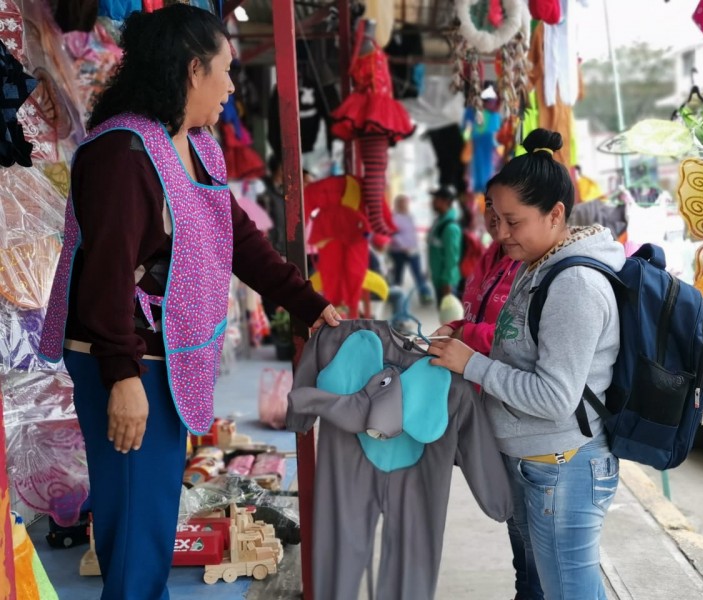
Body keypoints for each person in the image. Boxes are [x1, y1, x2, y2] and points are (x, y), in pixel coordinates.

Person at [37, 6, 340, 599]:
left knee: (149, 519)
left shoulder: (193, 144)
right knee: (134, 528)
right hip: (126, 358)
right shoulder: (121, 154)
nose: (232, 86)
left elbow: (238, 240)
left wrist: (309, 304)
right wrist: (122, 375)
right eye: (225, 71)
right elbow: (103, 276)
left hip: (164, 360)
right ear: (192, 69)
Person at [427, 128, 623, 600]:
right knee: (546, 585)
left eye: (514, 221)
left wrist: (471, 363)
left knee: (568, 592)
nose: (501, 233)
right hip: (537, 463)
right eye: (495, 218)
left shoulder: (574, 284)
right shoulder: (538, 265)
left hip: (563, 467)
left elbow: (555, 398)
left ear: (556, 214)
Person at [432, 195, 520, 354]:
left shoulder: (536, 267)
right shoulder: (491, 253)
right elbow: (480, 314)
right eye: (489, 204)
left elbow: (523, 337)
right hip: (468, 371)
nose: (494, 214)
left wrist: (467, 334)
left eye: (506, 205)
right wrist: (455, 327)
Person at [388, 194, 433, 304]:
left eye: (406, 202)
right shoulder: (393, 218)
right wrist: (403, 247)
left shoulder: (410, 216)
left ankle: (424, 294)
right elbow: (393, 235)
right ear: (397, 204)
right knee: (398, 276)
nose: (404, 205)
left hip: (412, 251)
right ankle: (395, 297)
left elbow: (412, 233)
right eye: (402, 202)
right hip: (399, 251)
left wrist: (415, 247)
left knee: (418, 274)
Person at [427, 185, 463, 306]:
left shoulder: (450, 227)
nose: (432, 202)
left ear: (446, 202)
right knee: (444, 319)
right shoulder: (439, 222)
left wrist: (447, 282)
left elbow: (452, 258)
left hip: (447, 283)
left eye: (436, 199)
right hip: (439, 279)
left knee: (450, 322)